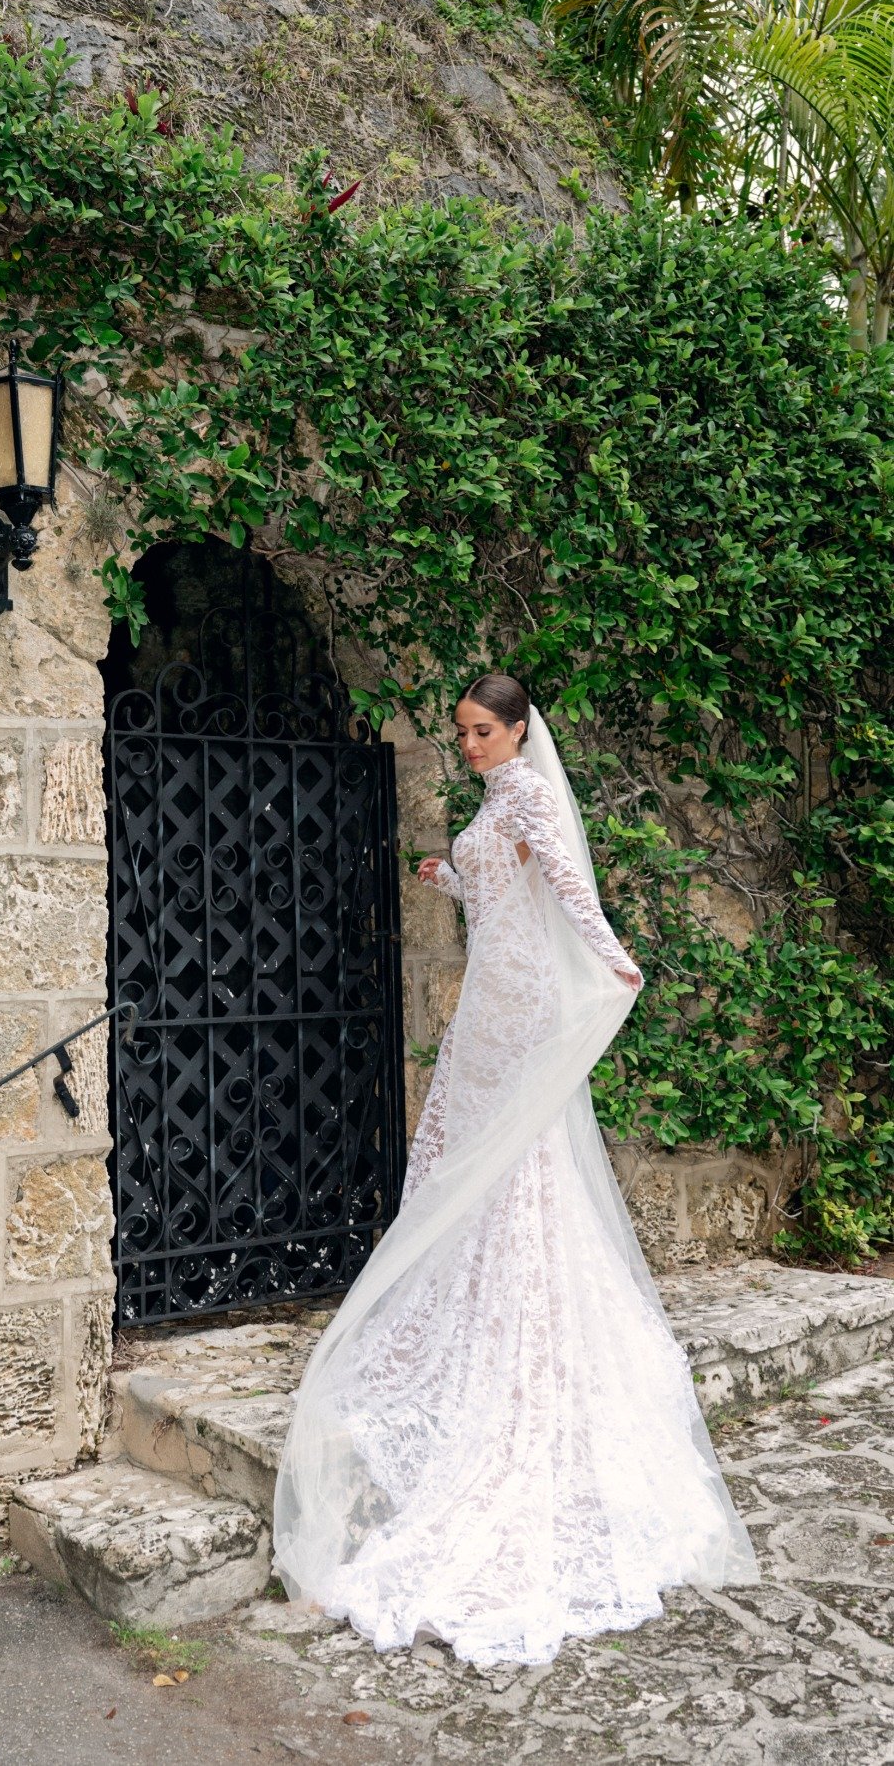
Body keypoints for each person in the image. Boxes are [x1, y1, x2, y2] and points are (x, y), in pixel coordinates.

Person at [271, 675, 761, 1669]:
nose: (468, 746)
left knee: (514, 1153)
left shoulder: (529, 793)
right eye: (459, 734)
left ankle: (529, 1325)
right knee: (474, 1153)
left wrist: (613, 955)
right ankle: (484, 1298)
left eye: (482, 732)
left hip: (521, 995)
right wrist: (443, 877)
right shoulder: (498, 800)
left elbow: (566, 887)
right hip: (490, 991)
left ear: (520, 731)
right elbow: (500, 885)